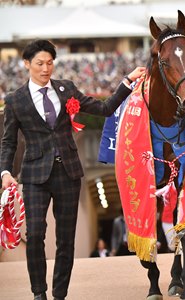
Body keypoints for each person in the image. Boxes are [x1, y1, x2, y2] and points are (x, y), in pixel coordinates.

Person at [0, 39, 145, 300]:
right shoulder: (14, 100)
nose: (46, 68)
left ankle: (59, 295)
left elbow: (104, 108)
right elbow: (9, 141)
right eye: (40, 63)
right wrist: (5, 172)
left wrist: (128, 80)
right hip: (33, 175)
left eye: (50, 63)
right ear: (26, 64)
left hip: (68, 173)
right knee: (34, 235)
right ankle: (39, 293)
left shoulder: (67, 89)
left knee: (65, 240)